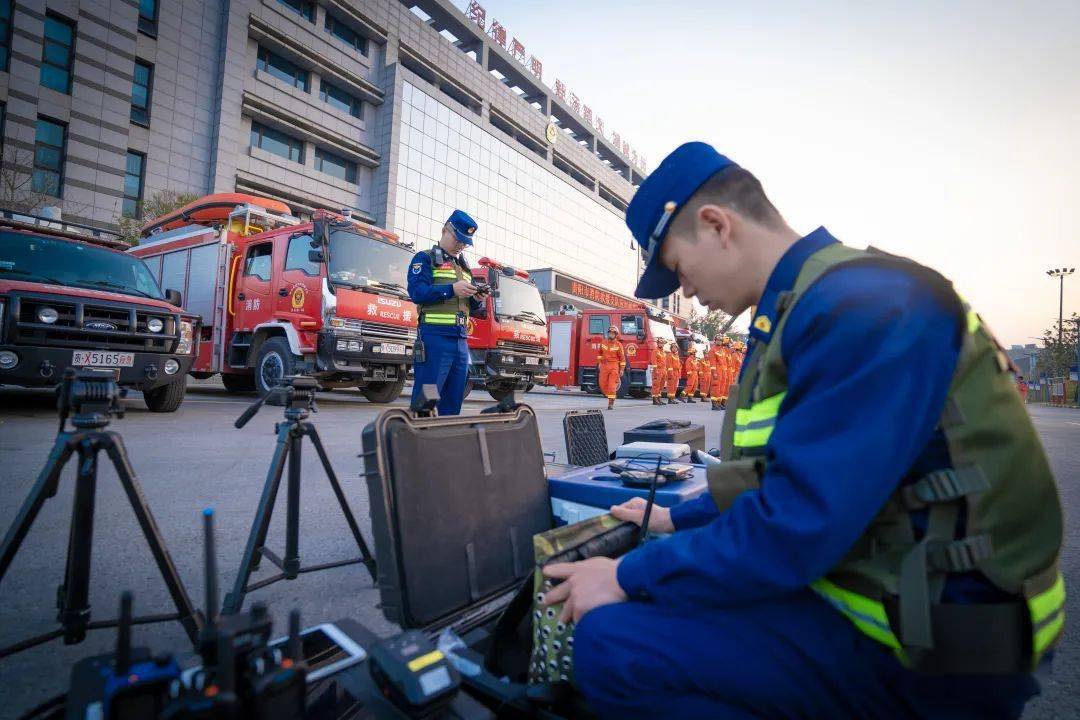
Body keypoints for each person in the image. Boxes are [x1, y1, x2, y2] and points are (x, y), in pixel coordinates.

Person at [541, 142, 1064, 719]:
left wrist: (624, 574)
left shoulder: (860, 306)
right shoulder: (811, 302)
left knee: (614, 644)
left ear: (716, 225)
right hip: (903, 603)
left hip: (937, 650)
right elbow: (784, 471)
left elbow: (796, 524)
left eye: (678, 268)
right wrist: (675, 517)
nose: (685, 291)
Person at [406, 210, 488, 416]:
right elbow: (417, 293)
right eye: (458, 238)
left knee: (453, 402)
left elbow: (467, 305)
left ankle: (444, 445)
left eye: (465, 242)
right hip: (434, 338)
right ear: (445, 230)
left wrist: (476, 300)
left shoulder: (464, 268)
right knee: (426, 400)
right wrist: (451, 289)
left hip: (461, 341)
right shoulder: (424, 258)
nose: (461, 245)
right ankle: (417, 444)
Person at [597, 325, 626, 410]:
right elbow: (599, 353)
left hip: (614, 366)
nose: (611, 335)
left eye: (613, 333)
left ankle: (611, 403)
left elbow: (622, 358)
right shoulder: (603, 342)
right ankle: (609, 396)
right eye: (610, 333)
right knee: (602, 384)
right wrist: (599, 363)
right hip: (604, 366)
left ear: (616, 335)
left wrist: (621, 369)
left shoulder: (618, 345)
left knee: (612, 385)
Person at [649, 339, 668, 406]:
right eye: (660, 343)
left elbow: (665, 362)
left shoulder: (663, 352)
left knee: (661, 385)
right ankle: (655, 399)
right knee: (656, 385)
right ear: (658, 343)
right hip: (658, 370)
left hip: (663, 370)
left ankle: (659, 398)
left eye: (662, 343)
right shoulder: (655, 351)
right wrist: (655, 370)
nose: (661, 344)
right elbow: (653, 361)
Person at [665, 339, 682, 404]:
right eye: (673, 348)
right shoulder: (669, 355)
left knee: (675, 386)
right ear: (671, 349)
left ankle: (672, 398)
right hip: (671, 373)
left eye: (675, 348)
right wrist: (671, 374)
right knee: (671, 386)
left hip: (676, 372)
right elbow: (669, 366)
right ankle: (670, 399)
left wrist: (679, 373)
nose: (674, 349)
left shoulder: (676, 355)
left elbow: (678, 365)